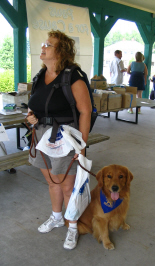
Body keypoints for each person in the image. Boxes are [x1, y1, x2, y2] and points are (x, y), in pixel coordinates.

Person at [26, 30, 92, 250]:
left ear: (61, 51)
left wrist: (81, 146)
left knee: (67, 187)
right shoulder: (39, 76)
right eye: (44, 43)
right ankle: (56, 217)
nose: (42, 47)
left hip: (65, 138)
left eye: (48, 44)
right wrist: (32, 118)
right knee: (52, 182)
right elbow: (35, 106)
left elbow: (85, 111)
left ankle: (72, 226)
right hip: (41, 135)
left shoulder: (72, 76)